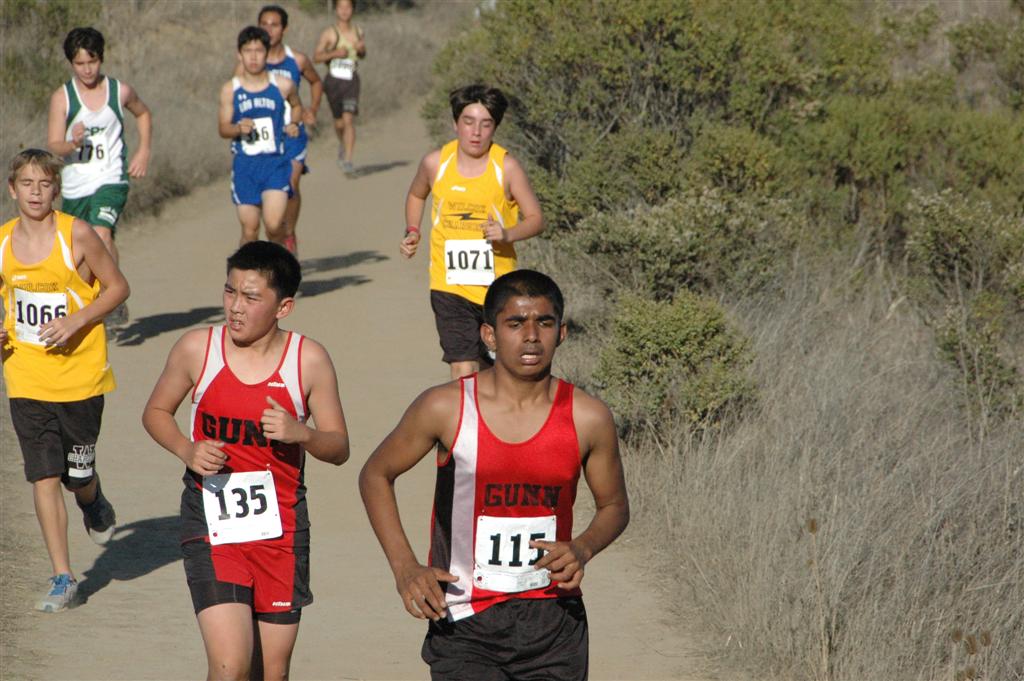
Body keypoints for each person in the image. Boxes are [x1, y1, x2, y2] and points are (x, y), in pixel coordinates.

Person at [360, 269, 629, 680]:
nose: (531, 336)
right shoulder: (445, 407)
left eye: (544, 322)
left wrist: (583, 548)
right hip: (464, 619)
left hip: (554, 621)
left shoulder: (588, 417)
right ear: (489, 334)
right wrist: (405, 568)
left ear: (562, 333)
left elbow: (614, 506)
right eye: (515, 323)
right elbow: (375, 474)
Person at [142, 241, 349, 681]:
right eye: (230, 291)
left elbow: (338, 447)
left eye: (251, 297)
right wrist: (187, 449)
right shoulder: (198, 348)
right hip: (212, 524)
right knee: (230, 666)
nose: (235, 307)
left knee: (271, 672)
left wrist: (302, 433)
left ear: (283, 307)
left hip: (282, 531)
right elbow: (156, 412)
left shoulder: (308, 361)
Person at [1, 149, 130, 612]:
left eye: (44, 184)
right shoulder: (2, 241)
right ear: (12, 189)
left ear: (56, 189)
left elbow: (118, 288)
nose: (36, 193)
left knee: (76, 477)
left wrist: (76, 320)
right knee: (43, 474)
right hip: (26, 374)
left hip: (80, 377)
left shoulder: (77, 234)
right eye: (27, 184)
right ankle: (63, 577)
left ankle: (92, 499)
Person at [400, 84, 545, 380]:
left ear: (495, 128)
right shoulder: (435, 163)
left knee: (497, 370)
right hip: (449, 284)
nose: (476, 132)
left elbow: (536, 219)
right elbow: (416, 194)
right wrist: (413, 230)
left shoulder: (506, 168)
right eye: (468, 122)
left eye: (485, 124)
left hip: (497, 286)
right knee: (462, 363)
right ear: (456, 124)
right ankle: (466, 411)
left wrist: (507, 234)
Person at [46, 27, 150, 326]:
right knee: (81, 252)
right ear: (71, 63)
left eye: (92, 61)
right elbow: (54, 144)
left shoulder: (120, 91)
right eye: (80, 63)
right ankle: (89, 306)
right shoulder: (63, 98)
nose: (87, 69)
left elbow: (143, 114)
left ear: (101, 59)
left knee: (101, 233)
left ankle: (111, 296)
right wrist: (73, 143)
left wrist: (143, 151)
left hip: (111, 177)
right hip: (76, 185)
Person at [219, 26, 302, 247]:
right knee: (250, 230)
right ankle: (243, 268)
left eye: (258, 51)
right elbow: (223, 128)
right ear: (239, 54)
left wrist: (294, 123)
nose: (253, 57)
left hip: (275, 163)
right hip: (245, 166)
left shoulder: (282, 85)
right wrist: (238, 128)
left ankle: (278, 266)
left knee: (274, 226)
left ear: (267, 53)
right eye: (248, 51)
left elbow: (296, 106)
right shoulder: (230, 90)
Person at [256, 4, 323, 256]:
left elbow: (316, 82)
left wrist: (312, 109)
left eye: (274, 25)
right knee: (268, 192)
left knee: (291, 184)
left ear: (284, 29)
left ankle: (289, 233)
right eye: (264, 24)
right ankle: (275, 238)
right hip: (263, 136)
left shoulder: (297, 59)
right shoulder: (252, 61)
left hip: (292, 132)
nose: (269, 29)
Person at [313, 0, 365, 176]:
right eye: (341, 7)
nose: (344, 11)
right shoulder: (330, 33)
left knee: (349, 120)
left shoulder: (358, 32)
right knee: (339, 122)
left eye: (348, 7)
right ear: (336, 10)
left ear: (353, 9)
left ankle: (348, 160)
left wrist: (361, 50)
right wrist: (335, 53)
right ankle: (342, 143)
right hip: (333, 81)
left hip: (351, 80)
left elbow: (362, 55)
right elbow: (316, 57)